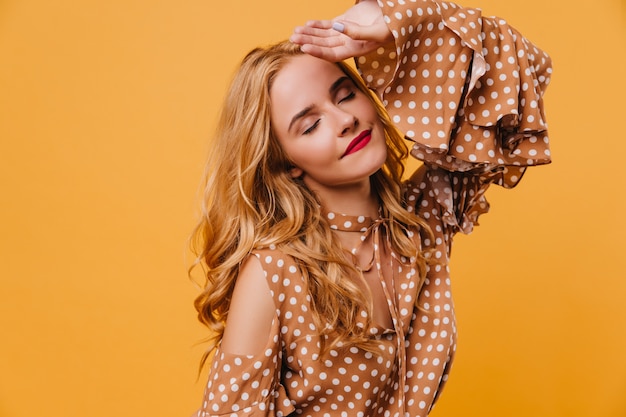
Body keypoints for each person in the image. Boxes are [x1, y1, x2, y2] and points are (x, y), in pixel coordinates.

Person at [189, 0, 552, 416]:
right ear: (285, 163)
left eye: (345, 95)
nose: (343, 119)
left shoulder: (420, 220)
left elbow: (518, 82)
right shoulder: (276, 274)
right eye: (310, 124)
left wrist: (395, 24)